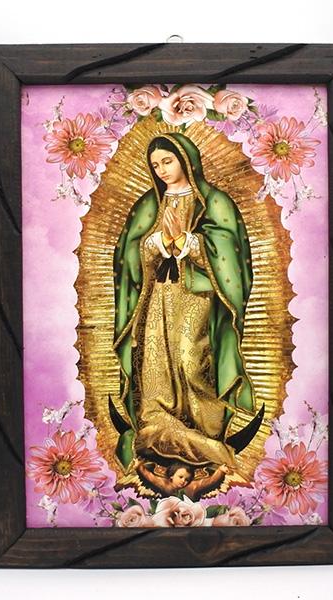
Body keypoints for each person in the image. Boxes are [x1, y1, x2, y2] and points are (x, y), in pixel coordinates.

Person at [111, 132, 257, 475]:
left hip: (197, 295)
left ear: (186, 160)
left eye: (168, 161)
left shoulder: (214, 202)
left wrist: (190, 242)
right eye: (155, 165)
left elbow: (231, 253)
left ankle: (205, 433)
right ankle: (157, 429)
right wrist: (157, 243)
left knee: (192, 361)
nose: (162, 170)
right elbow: (128, 253)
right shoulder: (149, 204)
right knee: (156, 362)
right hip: (157, 294)